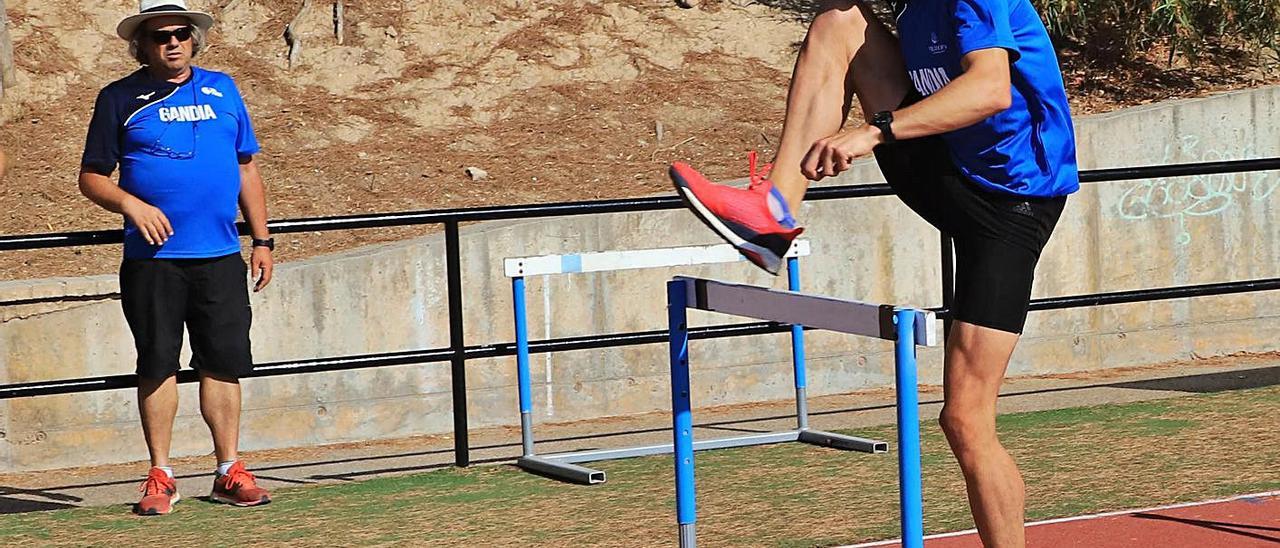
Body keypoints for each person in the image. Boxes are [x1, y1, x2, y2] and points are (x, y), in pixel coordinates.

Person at [668, 1, 1078, 546]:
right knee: (839, 24)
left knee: (965, 420)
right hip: (950, 169)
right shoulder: (907, 10)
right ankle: (774, 214)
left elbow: (990, 90)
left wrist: (874, 132)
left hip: (1014, 208)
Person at [78, 0, 274, 516]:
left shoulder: (224, 89)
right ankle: (160, 474)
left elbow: (246, 167)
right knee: (158, 363)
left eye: (181, 33)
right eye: (160, 35)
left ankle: (228, 470)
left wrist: (263, 240)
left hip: (219, 256)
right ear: (140, 45)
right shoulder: (119, 98)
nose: (172, 42)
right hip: (154, 261)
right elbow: (92, 175)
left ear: (194, 40)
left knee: (223, 363)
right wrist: (131, 204)